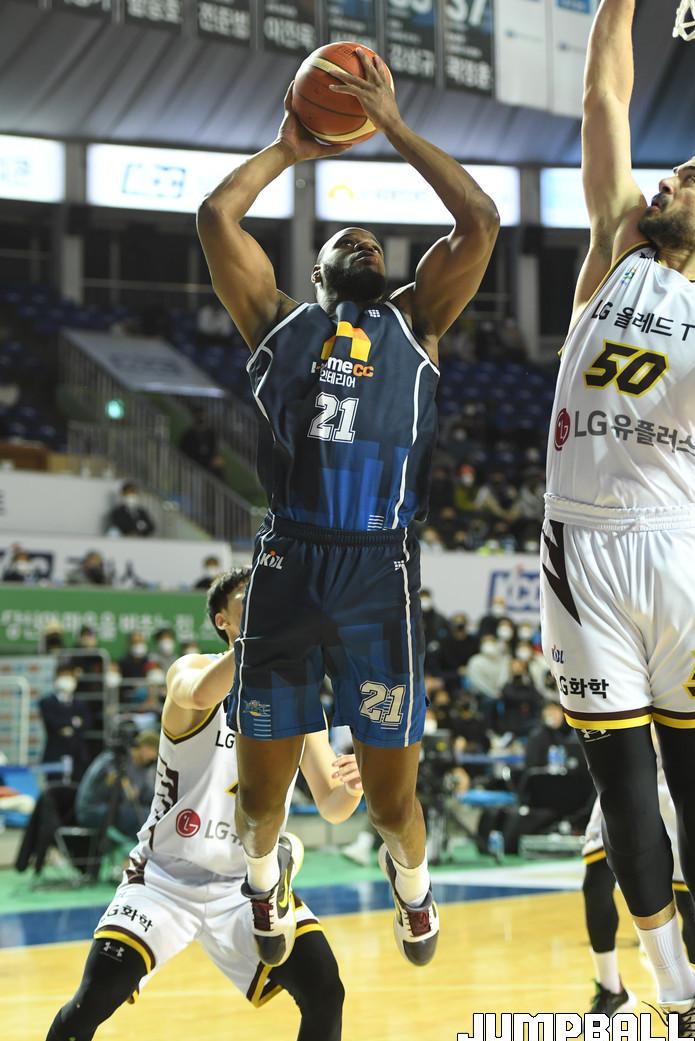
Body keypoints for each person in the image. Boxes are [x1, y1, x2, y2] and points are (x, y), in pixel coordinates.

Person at [197, 50, 499, 968]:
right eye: (347, 240)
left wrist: (394, 127)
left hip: (378, 571)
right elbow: (216, 216)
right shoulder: (276, 321)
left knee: (393, 803)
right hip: (288, 565)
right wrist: (290, 148)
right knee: (261, 799)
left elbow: (480, 220)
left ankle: (414, 887)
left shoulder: (418, 322)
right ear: (318, 270)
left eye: (376, 242)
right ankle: (262, 879)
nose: (365, 242)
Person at [539, 0, 695, 1035]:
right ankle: (675, 991)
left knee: (694, 784)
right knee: (626, 794)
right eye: (673, 171)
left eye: (690, 177)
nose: (669, 179)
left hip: (681, 546)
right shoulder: (614, 246)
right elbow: (605, 92)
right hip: (581, 547)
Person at [44, 568, 362, 1041]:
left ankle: (275, 868)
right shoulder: (190, 670)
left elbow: (333, 805)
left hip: (247, 887)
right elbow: (197, 694)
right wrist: (265, 641)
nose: (266, 602)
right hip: (165, 878)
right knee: (93, 999)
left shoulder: (299, 702)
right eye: (250, 598)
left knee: (325, 990)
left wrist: (354, 786)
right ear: (223, 621)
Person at [582, 749, 695, 1017]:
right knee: (595, 882)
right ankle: (611, 989)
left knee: (688, 904)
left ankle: (690, 1003)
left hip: (673, 776)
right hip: (622, 771)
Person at [75, 729, 159, 839]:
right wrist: (128, 791)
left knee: (154, 814)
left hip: (117, 809)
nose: (155, 757)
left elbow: (147, 793)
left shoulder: (142, 766)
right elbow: (113, 791)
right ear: (145, 747)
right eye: (154, 751)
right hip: (93, 810)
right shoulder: (115, 759)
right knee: (144, 817)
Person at [38, 666, 93, 782]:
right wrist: (74, 722)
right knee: (54, 785)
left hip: (77, 753)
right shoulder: (47, 702)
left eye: (69, 676)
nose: (66, 680)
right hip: (55, 752)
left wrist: (69, 725)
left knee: (77, 784)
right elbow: (52, 722)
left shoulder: (80, 703)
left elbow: (87, 723)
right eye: (63, 676)